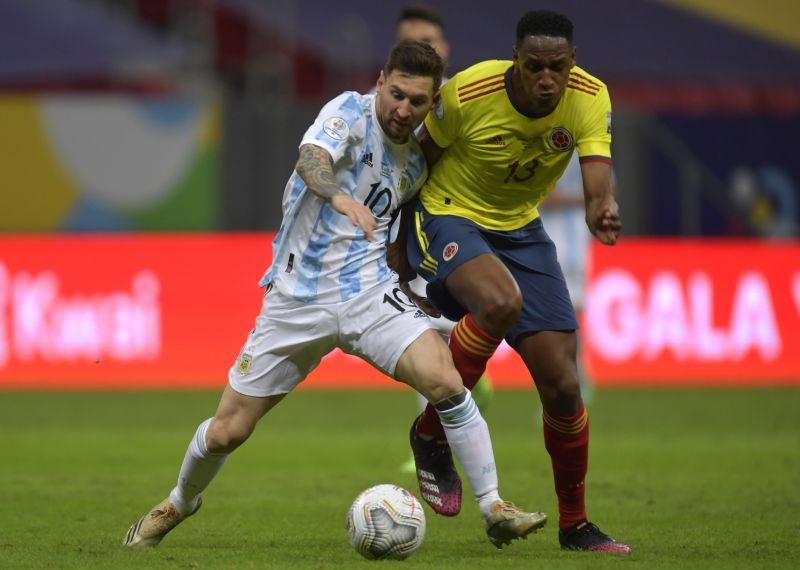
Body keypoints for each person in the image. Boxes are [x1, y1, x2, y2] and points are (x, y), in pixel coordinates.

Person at [122, 41, 545, 551]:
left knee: (447, 382)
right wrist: (338, 195)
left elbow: (404, 232)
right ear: (380, 80)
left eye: (416, 101)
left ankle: (494, 506)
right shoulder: (348, 111)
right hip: (297, 300)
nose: (402, 109)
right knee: (227, 433)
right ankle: (178, 502)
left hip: (369, 296)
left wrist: (416, 288)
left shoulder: (414, 167)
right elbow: (311, 157)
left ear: (432, 103)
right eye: (395, 94)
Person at [392, 11, 630, 552]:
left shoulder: (590, 98)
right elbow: (414, 164)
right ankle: (432, 432)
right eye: (534, 67)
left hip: (520, 228)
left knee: (564, 386)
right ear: (515, 61)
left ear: (572, 63)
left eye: (558, 68)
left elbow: (598, 182)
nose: (547, 79)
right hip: (447, 212)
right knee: (500, 302)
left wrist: (603, 210)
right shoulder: (469, 92)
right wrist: (397, 240)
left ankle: (575, 526)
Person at [391, 3, 495, 474]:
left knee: (435, 332)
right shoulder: (391, 102)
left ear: (445, 49)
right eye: (409, 44)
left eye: (427, 43)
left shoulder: (461, 100)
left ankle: (436, 434)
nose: (420, 52)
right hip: (398, 230)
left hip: (447, 225)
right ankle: (434, 439)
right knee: (419, 334)